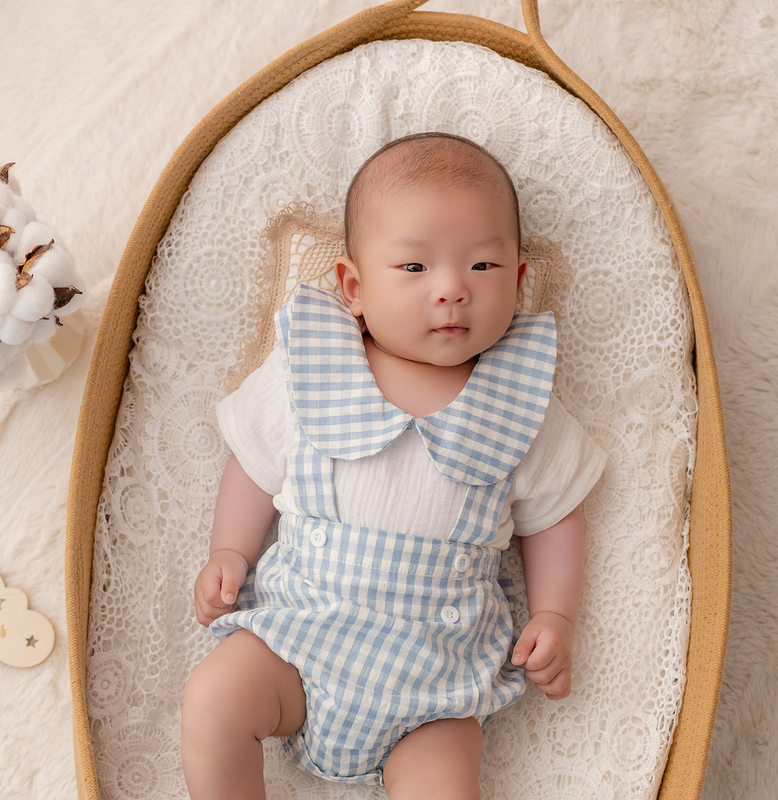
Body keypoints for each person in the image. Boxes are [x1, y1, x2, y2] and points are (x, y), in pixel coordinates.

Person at [181, 132, 607, 800]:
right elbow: (253, 465)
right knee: (212, 698)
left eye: (483, 268)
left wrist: (555, 616)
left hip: (434, 685)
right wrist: (229, 550)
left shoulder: (521, 405)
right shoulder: (309, 369)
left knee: (444, 785)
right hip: (296, 641)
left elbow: (555, 519)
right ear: (353, 285)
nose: (451, 291)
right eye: (414, 268)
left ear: (520, 281)